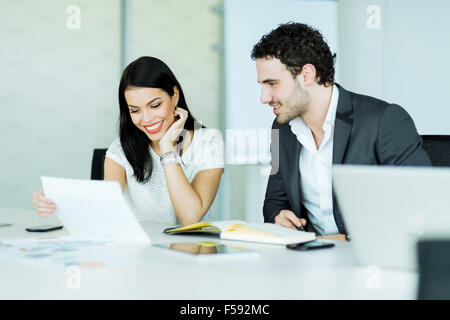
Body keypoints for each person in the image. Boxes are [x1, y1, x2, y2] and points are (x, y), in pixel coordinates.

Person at [251, 22, 431, 239]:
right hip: (310, 262)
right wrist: (278, 216)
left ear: (307, 75)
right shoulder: (282, 129)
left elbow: (419, 208)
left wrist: (347, 239)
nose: (264, 98)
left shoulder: (383, 120)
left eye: (272, 84)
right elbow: (273, 201)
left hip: (375, 262)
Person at [32, 56, 224, 225]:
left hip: (194, 259)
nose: (147, 119)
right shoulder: (121, 150)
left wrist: (168, 151)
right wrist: (57, 201)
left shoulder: (208, 142)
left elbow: (190, 217)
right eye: (135, 110)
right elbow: (103, 210)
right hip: (140, 258)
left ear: (174, 95)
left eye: (155, 105)